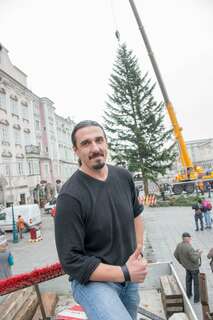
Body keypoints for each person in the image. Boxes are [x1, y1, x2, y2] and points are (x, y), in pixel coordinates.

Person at [55, 120, 148, 320]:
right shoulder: (69, 197)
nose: (95, 148)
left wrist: (138, 249)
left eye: (99, 140)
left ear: (106, 143)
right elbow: (71, 261)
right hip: (93, 283)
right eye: (86, 143)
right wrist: (124, 272)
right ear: (76, 151)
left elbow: (136, 213)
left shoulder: (123, 176)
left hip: (128, 277)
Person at [174, 232, 202, 303]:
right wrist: (199, 254)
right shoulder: (189, 247)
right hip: (194, 268)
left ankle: (188, 294)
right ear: (188, 238)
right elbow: (194, 259)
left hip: (187, 267)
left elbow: (175, 254)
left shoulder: (179, 245)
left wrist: (181, 262)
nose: (190, 239)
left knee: (188, 281)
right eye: (190, 238)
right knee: (196, 284)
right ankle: (196, 299)